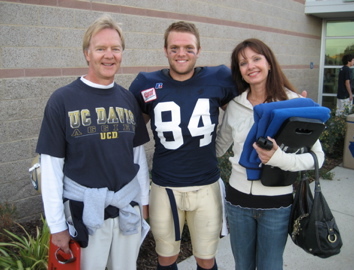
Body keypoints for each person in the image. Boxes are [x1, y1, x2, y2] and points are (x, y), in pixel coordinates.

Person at [36, 14, 150, 270]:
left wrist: (143, 204)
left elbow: (137, 157)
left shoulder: (127, 99)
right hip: (83, 215)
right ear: (87, 53)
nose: (109, 55)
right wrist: (57, 227)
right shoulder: (62, 100)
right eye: (101, 48)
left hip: (125, 211)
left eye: (115, 49)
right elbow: (51, 169)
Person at [129, 21, 238, 270]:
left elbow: (247, 106)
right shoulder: (146, 83)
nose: (181, 54)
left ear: (199, 50)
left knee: (206, 258)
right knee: (166, 257)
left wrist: (287, 101)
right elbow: (130, 131)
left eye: (189, 48)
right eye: (175, 47)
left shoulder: (218, 78)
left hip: (206, 185)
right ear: (165, 50)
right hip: (165, 186)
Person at [216, 38, 325, 270]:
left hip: (277, 204)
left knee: (270, 266)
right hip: (238, 203)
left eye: (256, 59)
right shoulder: (235, 105)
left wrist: (278, 159)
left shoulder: (294, 103)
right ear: (240, 72)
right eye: (243, 63)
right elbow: (218, 148)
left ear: (269, 63)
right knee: (242, 266)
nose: (251, 66)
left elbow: (318, 157)